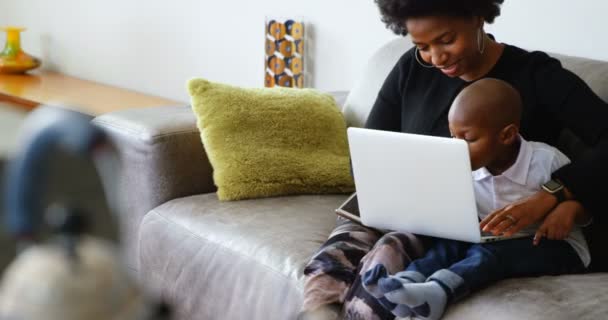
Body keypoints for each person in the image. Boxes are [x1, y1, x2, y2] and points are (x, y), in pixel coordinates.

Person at [300, 1, 608, 319]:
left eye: (446, 40)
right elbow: (367, 153)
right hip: (402, 206)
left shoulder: (537, 76)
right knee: (337, 255)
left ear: (478, 17)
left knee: (389, 255)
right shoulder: (411, 68)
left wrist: (555, 195)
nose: (436, 58)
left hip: (467, 225)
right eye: (422, 47)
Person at [361, 78, 591, 320]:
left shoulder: (547, 161)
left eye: (468, 139)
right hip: (488, 237)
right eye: (453, 137)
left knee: (488, 257)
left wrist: (570, 210)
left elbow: (587, 201)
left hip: (556, 247)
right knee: (448, 245)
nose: (457, 147)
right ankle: (406, 283)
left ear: (507, 135)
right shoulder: (462, 166)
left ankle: (439, 292)